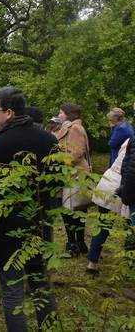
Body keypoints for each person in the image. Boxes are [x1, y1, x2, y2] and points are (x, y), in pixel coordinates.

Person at [0, 87, 58, 331]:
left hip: (7, 231)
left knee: (13, 291)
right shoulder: (49, 140)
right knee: (41, 286)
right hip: (39, 225)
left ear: (9, 113)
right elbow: (57, 183)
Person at [86, 137, 130, 274]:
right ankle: (129, 265)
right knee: (130, 228)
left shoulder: (129, 140)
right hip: (121, 184)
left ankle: (91, 264)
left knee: (103, 225)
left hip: (109, 179)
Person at [56, 103, 91, 257]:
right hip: (73, 173)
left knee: (71, 208)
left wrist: (62, 166)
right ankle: (79, 242)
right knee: (75, 208)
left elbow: (76, 152)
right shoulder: (70, 127)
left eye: (61, 112)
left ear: (69, 114)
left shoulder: (74, 128)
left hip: (72, 173)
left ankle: (74, 243)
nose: (58, 115)